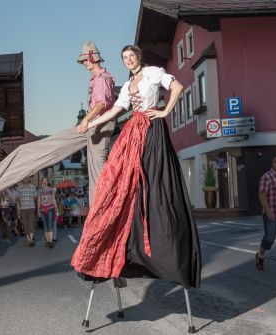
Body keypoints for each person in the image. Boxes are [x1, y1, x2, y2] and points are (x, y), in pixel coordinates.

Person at [70, 45, 201, 289]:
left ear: (139, 57)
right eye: (125, 58)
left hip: (152, 130)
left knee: (153, 183)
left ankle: (162, 247)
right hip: (133, 131)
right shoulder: (129, 84)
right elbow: (117, 110)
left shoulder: (152, 72)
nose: (129, 60)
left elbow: (177, 87)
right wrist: (90, 122)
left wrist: (164, 112)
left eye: (132, 56)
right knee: (118, 181)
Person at [0, 41, 116, 217]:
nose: (84, 64)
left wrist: (85, 119)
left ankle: (102, 216)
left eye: (85, 60)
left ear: (93, 58)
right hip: (91, 129)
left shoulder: (103, 79)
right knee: (32, 150)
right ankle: (98, 215)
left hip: (97, 129)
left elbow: (101, 103)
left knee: (97, 175)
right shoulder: (97, 79)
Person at [16, 177, 38, 247]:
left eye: (27, 178)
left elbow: (35, 198)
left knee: (31, 223)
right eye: (24, 178)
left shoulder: (33, 187)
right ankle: (28, 239)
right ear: (22, 179)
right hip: (23, 209)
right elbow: (17, 199)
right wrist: (18, 209)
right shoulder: (19, 188)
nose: (25, 180)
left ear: (29, 179)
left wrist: (35, 207)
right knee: (25, 224)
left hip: (31, 208)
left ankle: (31, 240)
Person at [37, 177, 59, 248]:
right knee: (45, 225)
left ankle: (50, 241)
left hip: (50, 208)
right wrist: (38, 211)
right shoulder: (40, 190)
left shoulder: (51, 189)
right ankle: (47, 240)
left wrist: (56, 209)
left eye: (46, 181)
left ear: (47, 182)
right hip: (42, 210)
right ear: (41, 182)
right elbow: (39, 201)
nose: (44, 182)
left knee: (50, 225)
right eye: (43, 181)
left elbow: (53, 200)